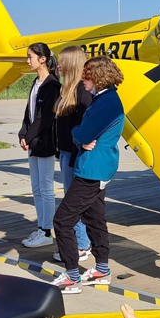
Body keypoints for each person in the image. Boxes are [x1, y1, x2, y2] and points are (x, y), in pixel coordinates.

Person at [52, 56, 125, 294]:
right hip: (98, 168)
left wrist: (77, 133)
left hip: (92, 170)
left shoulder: (106, 102)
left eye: (87, 75)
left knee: (62, 221)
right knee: (94, 219)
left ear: (98, 77)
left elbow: (83, 134)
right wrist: (81, 135)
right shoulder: (105, 98)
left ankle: (72, 276)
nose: (83, 80)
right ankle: (102, 269)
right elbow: (84, 134)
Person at [19, 42, 61, 248]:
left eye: (30, 57)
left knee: (45, 188)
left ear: (42, 59)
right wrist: (22, 132)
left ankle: (47, 231)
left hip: (44, 144)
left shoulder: (52, 85)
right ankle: (41, 226)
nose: (28, 61)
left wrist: (29, 137)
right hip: (33, 142)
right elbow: (29, 113)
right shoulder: (35, 83)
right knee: (36, 187)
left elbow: (45, 118)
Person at [53, 46, 92, 263]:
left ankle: (81, 244)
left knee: (71, 200)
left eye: (61, 62)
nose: (58, 66)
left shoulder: (81, 91)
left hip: (75, 155)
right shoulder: (67, 89)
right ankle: (81, 241)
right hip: (66, 153)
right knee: (70, 197)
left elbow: (84, 124)